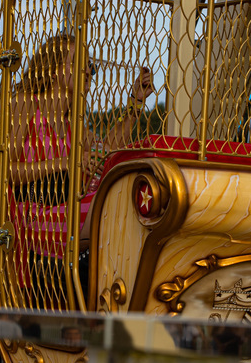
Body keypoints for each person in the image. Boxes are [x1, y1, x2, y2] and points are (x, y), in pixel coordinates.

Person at [8, 33, 154, 266]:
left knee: (126, 198)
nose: (88, 70)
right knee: (110, 202)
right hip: (30, 213)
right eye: (79, 63)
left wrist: (135, 104)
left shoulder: (71, 123)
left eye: (89, 65)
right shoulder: (23, 104)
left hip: (66, 207)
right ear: (53, 69)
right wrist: (66, 161)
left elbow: (104, 152)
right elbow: (4, 171)